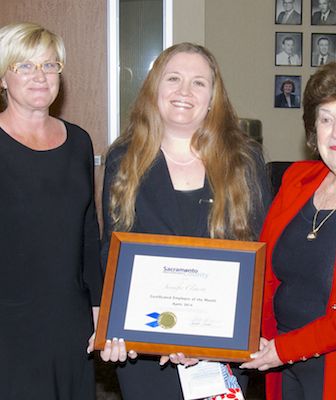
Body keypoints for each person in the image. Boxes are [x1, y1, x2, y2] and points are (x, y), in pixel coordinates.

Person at [100, 42, 271, 399]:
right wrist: (111, 324)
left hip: (220, 349)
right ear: (154, 89)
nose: (184, 91)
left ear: (213, 97)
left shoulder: (245, 160)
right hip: (144, 351)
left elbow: (258, 253)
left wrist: (210, 336)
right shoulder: (123, 159)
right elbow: (112, 250)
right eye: (173, 78)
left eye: (198, 82)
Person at [240, 57, 336, 400]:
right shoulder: (297, 180)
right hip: (280, 366)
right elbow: (263, 271)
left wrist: (290, 347)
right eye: (326, 119)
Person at [0, 22, 102, 399]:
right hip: (8, 324)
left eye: (49, 65)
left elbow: (88, 233)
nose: (39, 76)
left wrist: (96, 306)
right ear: (3, 78)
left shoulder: (78, 142)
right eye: (24, 66)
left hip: (68, 319)